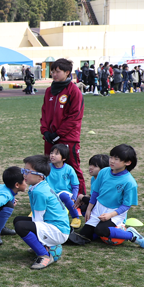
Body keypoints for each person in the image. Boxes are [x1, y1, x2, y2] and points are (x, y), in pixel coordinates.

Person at [80, 145, 144, 248]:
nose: (111, 161)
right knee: (82, 236)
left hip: (115, 213)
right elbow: (95, 193)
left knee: (101, 230)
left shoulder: (130, 182)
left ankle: (131, 235)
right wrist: (89, 210)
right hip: (99, 208)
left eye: (117, 159)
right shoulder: (103, 172)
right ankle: (99, 234)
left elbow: (126, 206)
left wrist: (110, 215)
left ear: (128, 162)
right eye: (111, 157)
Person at [12, 155, 70, 269]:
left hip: (58, 230)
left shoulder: (39, 192)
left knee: (21, 226)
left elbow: (38, 219)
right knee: (18, 220)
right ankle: (39, 247)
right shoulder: (38, 186)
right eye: (24, 170)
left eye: (28, 171)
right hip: (53, 225)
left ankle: (44, 255)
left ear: (40, 177)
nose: (24, 174)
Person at [40, 58, 86, 199]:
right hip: (50, 138)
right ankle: (50, 196)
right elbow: (45, 113)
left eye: (57, 72)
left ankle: (80, 198)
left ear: (67, 73)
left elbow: (74, 117)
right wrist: (45, 131)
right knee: (49, 167)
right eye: (52, 71)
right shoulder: (49, 91)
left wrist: (59, 134)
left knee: (72, 167)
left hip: (68, 138)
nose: (54, 74)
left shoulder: (74, 91)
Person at [47, 143, 82, 228]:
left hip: (64, 193)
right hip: (50, 193)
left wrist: (73, 198)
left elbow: (75, 185)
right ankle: (36, 211)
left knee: (64, 196)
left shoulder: (69, 169)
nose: (52, 155)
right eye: (51, 153)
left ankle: (76, 218)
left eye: (56, 153)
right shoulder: (47, 167)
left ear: (64, 158)